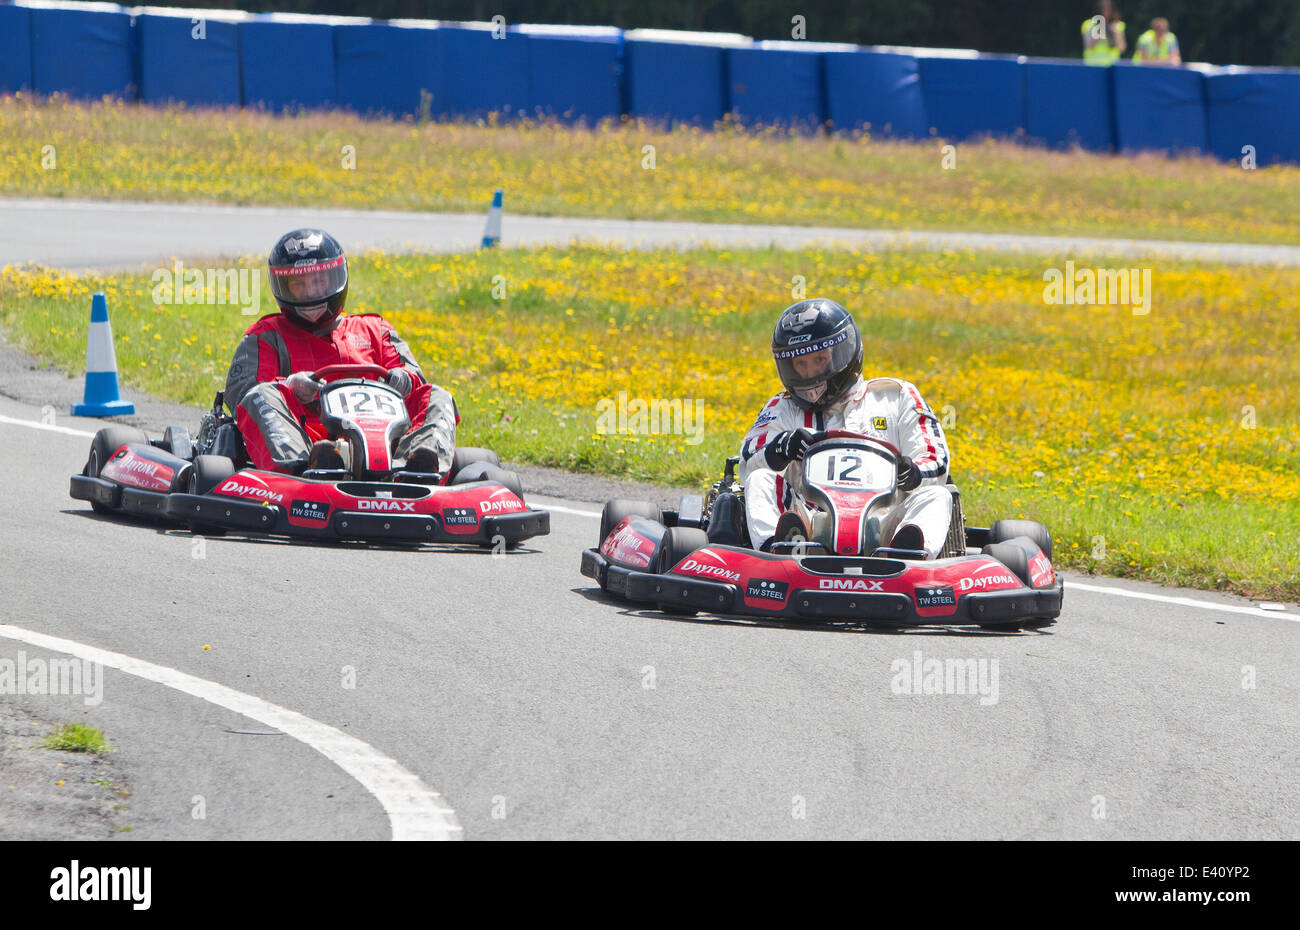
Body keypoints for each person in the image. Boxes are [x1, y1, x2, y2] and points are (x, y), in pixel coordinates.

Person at [223, 228, 457, 474]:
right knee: (260, 395)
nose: (311, 293)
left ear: (337, 278)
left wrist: (402, 380)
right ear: (283, 287)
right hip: (307, 442)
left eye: (318, 281)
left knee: (438, 396)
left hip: (384, 443)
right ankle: (302, 470)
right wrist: (290, 385)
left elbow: (415, 378)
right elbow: (243, 394)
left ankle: (413, 472)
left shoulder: (374, 330)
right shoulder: (266, 335)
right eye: (299, 284)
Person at [737, 298, 954, 557]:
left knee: (938, 495)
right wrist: (781, 448)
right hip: (809, 523)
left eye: (819, 360)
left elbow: (936, 460)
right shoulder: (782, 407)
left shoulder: (896, 396)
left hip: (885, 525)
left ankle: (907, 559)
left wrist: (912, 472)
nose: (810, 374)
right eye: (800, 364)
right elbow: (747, 463)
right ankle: (778, 550)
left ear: (844, 354)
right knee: (761, 479)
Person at [1081, 0, 1126, 65]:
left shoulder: (1117, 26)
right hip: (1093, 64)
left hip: (1112, 65)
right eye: (1103, 7)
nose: (1106, 10)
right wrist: (1100, 31)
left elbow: (1122, 48)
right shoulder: (1089, 25)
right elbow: (1088, 47)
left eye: (1108, 8)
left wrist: (1115, 33)